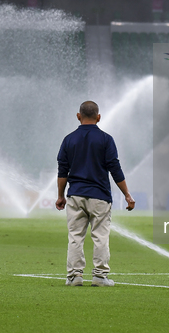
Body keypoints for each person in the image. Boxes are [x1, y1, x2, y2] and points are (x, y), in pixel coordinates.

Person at [55, 101, 135, 287]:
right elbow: (115, 169)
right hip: (100, 196)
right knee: (100, 237)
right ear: (98, 117)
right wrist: (127, 195)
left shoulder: (68, 140)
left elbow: (62, 171)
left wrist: (60, 196)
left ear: (78, 116)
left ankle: (74, 276)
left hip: (75, 195)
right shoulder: (106, 139)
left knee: (75, 237)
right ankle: (100, 276)